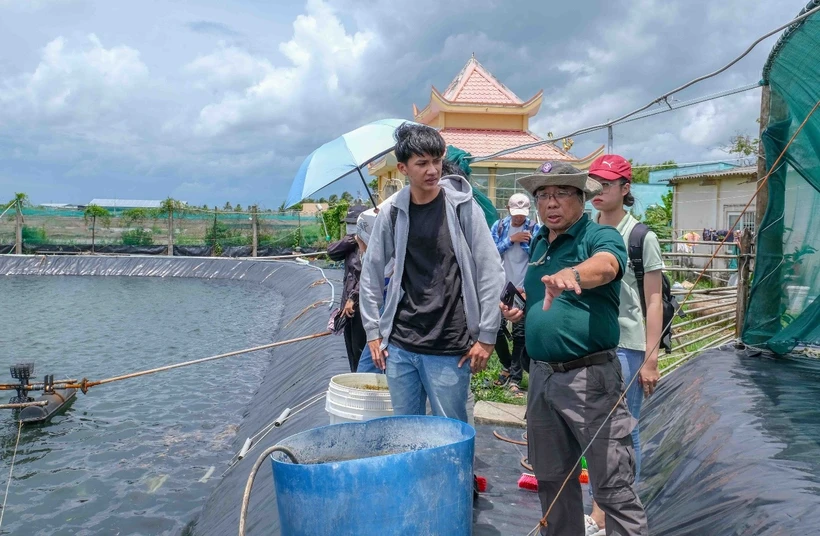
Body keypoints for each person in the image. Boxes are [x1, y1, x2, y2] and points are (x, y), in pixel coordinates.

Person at [501, 161, 648, 536]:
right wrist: (523, 315)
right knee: (551, 480)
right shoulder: (538, 241)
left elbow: (607, 266)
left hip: (589, 379)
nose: (551, 203)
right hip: (542, 378)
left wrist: (574, 274)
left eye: (562, 193)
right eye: (543, 195)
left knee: (613, 484)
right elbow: (544, 297)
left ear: (581, 198)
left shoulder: (598, 236)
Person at [359, 122, 504, 423]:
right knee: (405, 432)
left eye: (436, 160)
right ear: (403, 168)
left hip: (449, 346)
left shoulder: (463, 207)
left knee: (451, 435)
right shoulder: (393, 212)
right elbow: (371, 272)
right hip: (400, 345)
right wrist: (373, 332)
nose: (432, 170)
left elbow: (491, 270)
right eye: (422, 163)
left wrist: (487, 336)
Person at [584, 155, 663, 535]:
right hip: (590, 343)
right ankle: (601, 506)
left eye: (607, 184)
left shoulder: (640, 236)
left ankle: (611, 512)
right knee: (593, 427)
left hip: (627, 347)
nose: (598, 192)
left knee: (623, 429)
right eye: (594, 184)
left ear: (625, 188)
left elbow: (653, 300)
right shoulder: (585, 229)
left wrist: (650, 357)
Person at [490, 193, 539, 397]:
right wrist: (511, 240)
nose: (519, 218)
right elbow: (491, 253)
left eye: (522, 214)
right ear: (508, 209)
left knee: (520, 334)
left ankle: (515, 379)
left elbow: (539, 257)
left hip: (523, 288)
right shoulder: (499, 227)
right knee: (495, 329)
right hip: (501, 287)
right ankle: (507, 365)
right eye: (515, 213)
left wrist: (526, 243)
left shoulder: (535, 229)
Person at [327, 204, 367, 372]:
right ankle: (355, 378)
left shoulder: (369, 244)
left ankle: (363, 386)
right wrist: (352, 238)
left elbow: (366, 276)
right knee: (351, 348)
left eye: (354, 223)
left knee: (360, 349)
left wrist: (354, 298)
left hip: (361, 306)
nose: (350, 226)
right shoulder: (351, 245)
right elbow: (331, 252)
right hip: (347, 306)